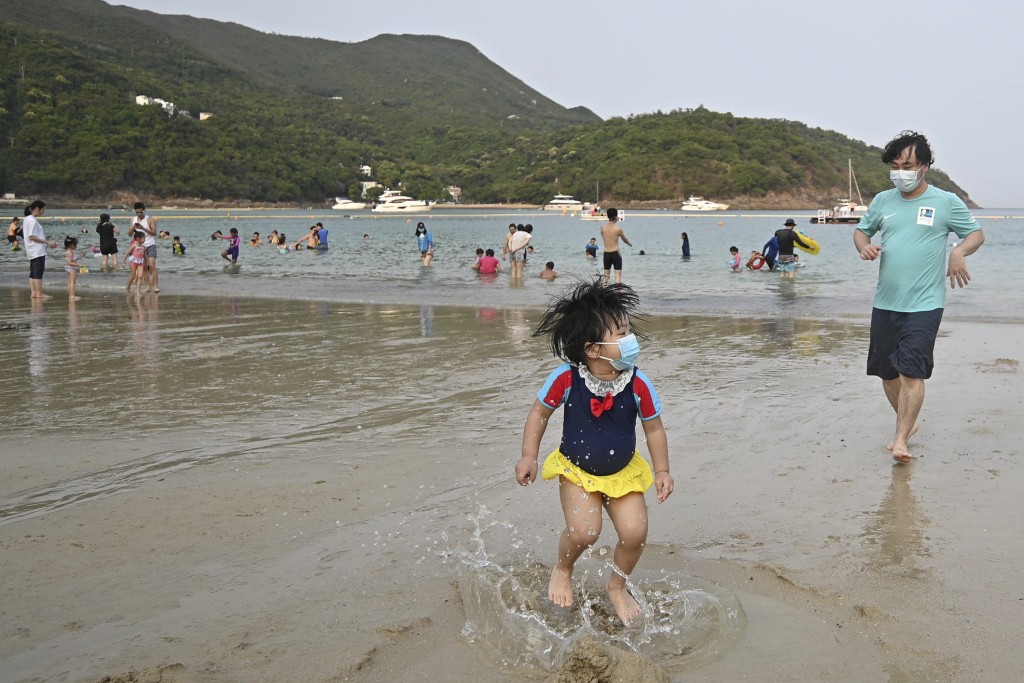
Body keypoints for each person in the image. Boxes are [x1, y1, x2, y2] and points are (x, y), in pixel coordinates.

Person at [514, 279, 672, 625]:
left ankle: (617, 586)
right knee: (586, 532)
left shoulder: (637, 382)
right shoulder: (566, 379)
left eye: (629, 330)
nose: (631, 340)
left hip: (623, 472)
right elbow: (539, 414)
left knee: (634, 533)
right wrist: (529, 455)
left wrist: (662, 471)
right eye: (621, 333)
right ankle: (563, 566)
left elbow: (654, 428)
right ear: (593, 349)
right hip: (576, 471)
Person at [854, 130, 984, 464]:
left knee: (912, 372)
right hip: (885, 302)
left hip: (925, 305)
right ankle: (908, 422)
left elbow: (975, 233)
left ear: (924, 166)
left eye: (908, 165)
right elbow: (861, 231)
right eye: (896, 165)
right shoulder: (883, 200)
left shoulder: (945, 201)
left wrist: (958, 252)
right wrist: (864, 246)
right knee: (887, 374)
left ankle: (900, 439)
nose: (901, 171)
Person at [23, 200, 56, 300]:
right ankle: (39, 293)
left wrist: (46, 243)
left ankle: (34, 293)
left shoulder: (27, 219)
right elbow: (32, 236)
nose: (43, 212)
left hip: (31, 250)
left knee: (33, 272)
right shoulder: (32, 220)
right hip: (37, 251)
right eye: (43, 210)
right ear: (37, 209)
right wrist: (47, 242)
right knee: (38, 272)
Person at [131, 202, 159, 292]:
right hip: (140, 247)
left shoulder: (150, 219)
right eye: (137, 212)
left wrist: (143, 228)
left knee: (151, 265)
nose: (139, 214)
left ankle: (156, 286)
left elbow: (154, 233)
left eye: (141, 212)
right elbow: (130, 234)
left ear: (145, 210)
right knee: (143, 267)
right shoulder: (133, 219)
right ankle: (147, 286)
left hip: (150, 244)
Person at [599, 208, 631, 284]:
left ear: (608, 216)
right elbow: (624, 240)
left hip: (606, 253)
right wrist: (629, 244)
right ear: (616, 216)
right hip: (615, 253)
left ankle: (604, 292)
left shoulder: (602, 228)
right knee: (618, 275)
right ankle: (618, 294)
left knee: (606, 276)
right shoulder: (618, 229)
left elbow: (605, 238)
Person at [64, 236, 83, 301]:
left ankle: (70, 295)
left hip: (68, 268)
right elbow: (69, 262)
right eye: (75, 244)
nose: (76, 246)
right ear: (72, 245)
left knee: (70, 282)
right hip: (71, 269)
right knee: (72, 282)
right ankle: (72, 296)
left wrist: (81, 256)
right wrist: (79, 264)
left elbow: (73, 259)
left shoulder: (69, 251)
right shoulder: (70, 253)